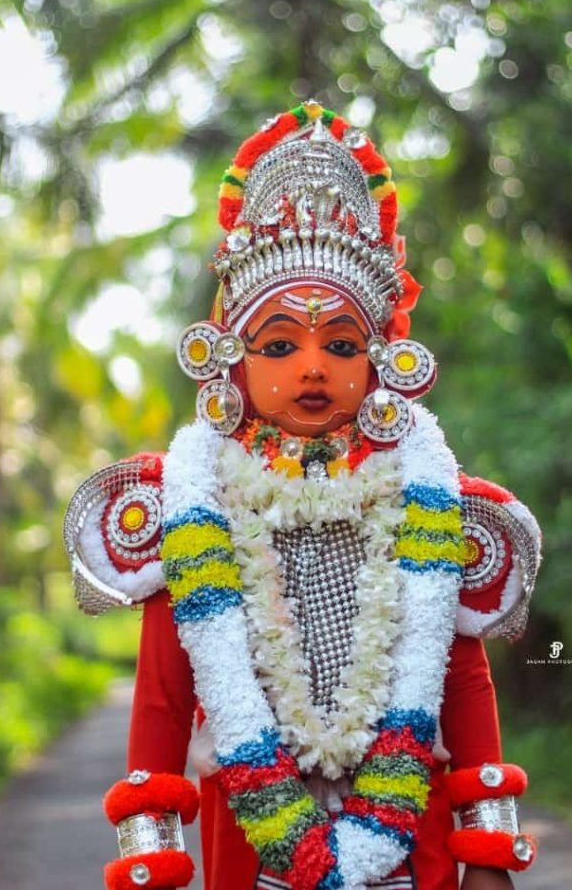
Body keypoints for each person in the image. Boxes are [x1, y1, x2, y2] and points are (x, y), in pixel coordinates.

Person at [64, 101, 542, 890]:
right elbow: (163, 697)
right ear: (234, 361)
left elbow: (461, 677)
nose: (313, 367)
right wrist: (151, 854)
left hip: (409, 824)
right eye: (281, 344)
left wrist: (487, 854)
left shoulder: (425, 498)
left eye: (342, 344)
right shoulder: (195, 504)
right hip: (253, 830)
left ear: (382, 360)